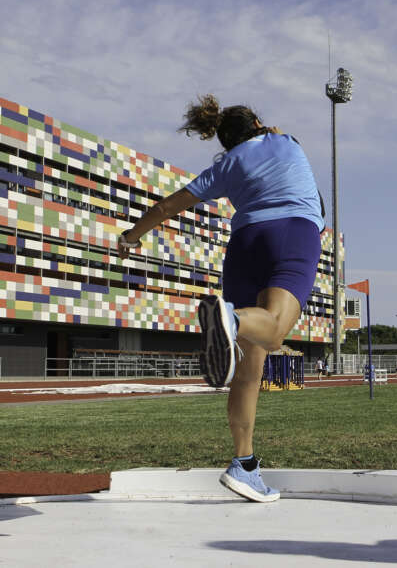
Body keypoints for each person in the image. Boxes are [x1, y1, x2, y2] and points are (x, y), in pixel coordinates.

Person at [115, 94, 324, 502]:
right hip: (293, 230)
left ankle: (244, 465)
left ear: (224, 141)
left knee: (249, 372)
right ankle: (230, 319)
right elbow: (277, 134)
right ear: (259, 123)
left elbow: (167, 205)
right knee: (275, 330)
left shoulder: (226, 165)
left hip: (245, 245)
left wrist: (130, 236)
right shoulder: (287, 142)